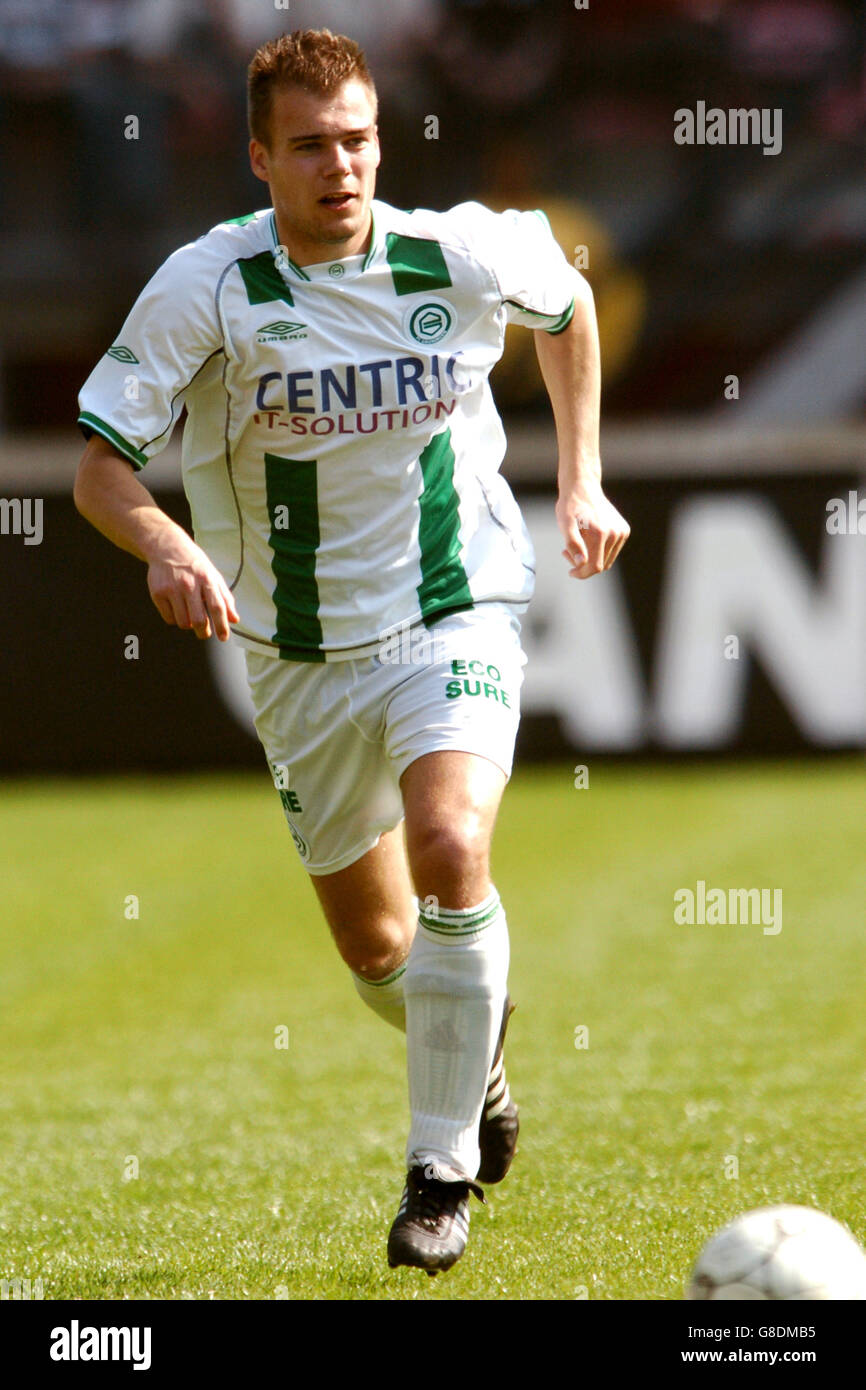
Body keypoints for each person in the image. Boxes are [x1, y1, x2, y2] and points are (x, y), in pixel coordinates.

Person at [74, 27, 630, 1275]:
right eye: (313, 145)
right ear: (259, 156)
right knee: (379, 952)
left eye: (360, 139)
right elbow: (101, 470)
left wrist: (581, 480)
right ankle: (472, 1050)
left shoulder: (456, 248)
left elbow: (569, 301)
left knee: (450, 844)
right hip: (295, 648)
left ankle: (435, 1178)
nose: (342, 165)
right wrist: (164, 544)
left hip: (454, 604)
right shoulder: (204, 286)